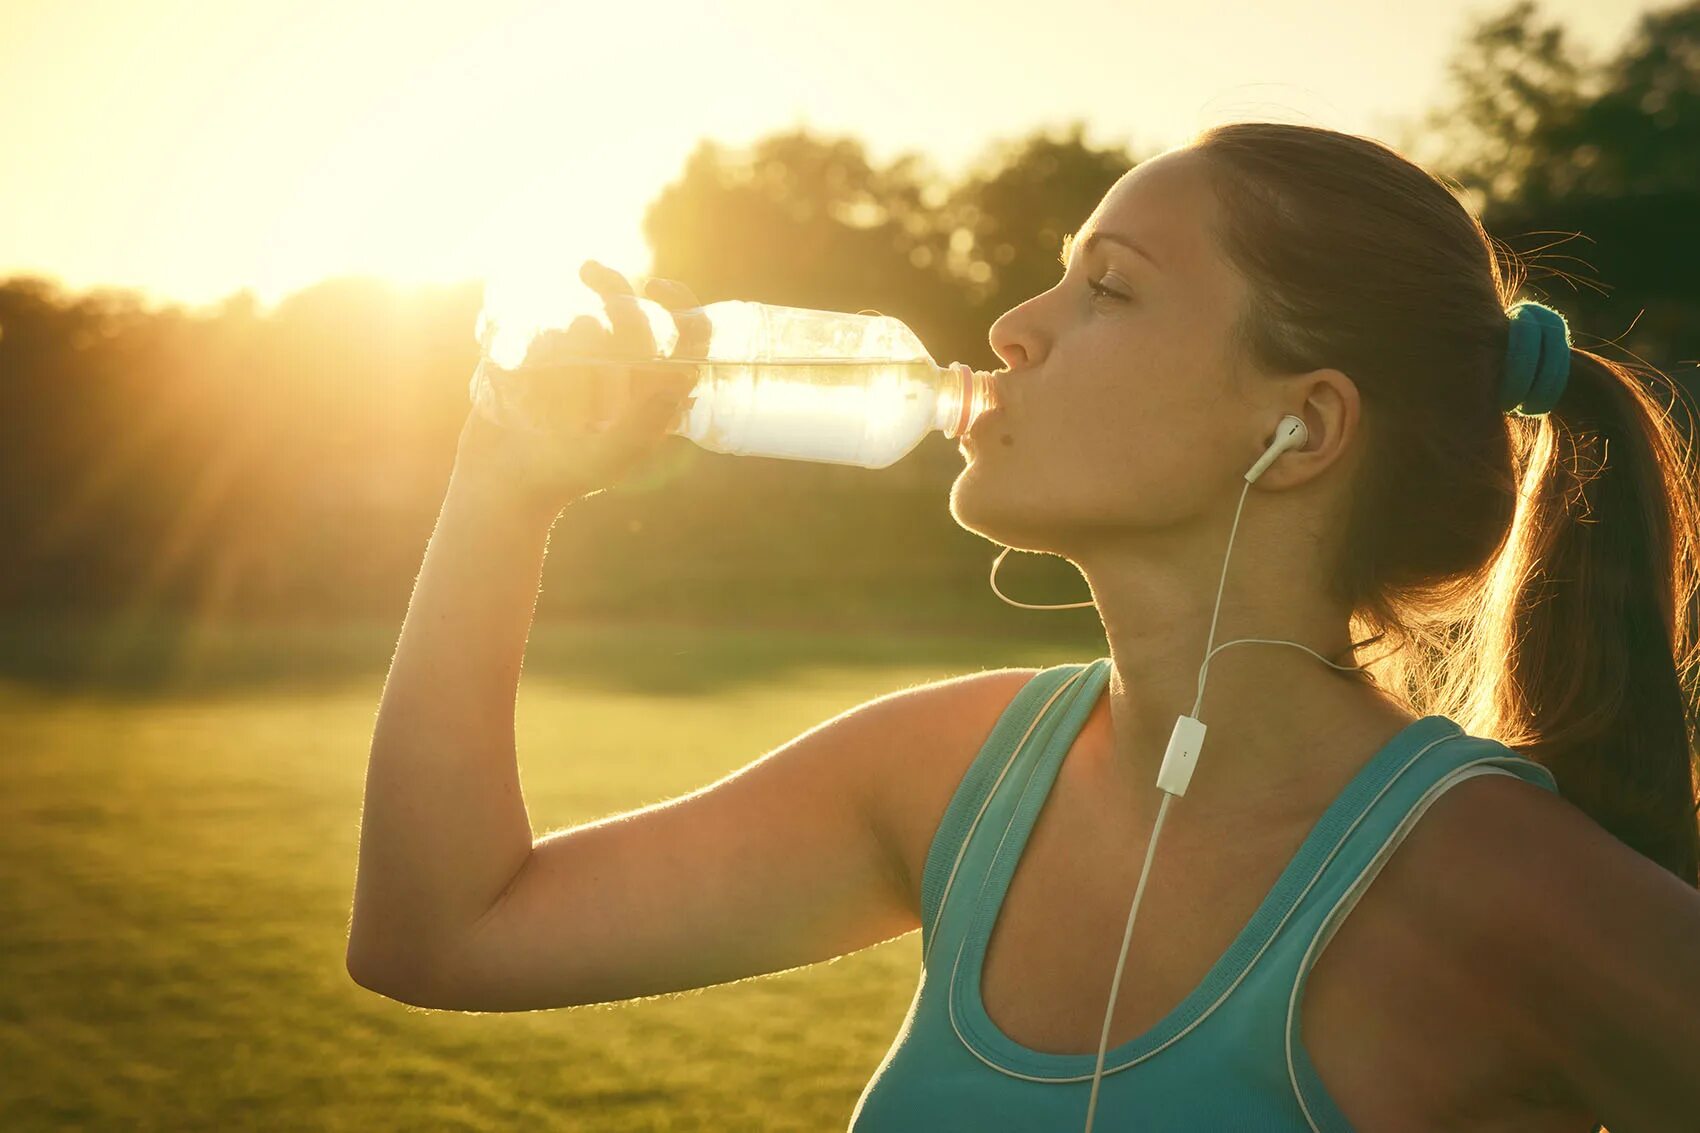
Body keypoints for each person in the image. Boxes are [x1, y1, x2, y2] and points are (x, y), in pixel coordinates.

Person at [345, 123, 1700, 1131]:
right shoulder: (951, 777)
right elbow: (443, 933)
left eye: (1107, 286)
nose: (1008, 328)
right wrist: (500, 480)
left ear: (1301, 426)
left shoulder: (1493, 884)